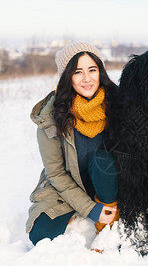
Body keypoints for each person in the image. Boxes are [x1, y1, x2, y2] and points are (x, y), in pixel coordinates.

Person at [26, 42, 119, 245]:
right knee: (40, 234)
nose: (87, 78)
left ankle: (110, 220)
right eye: (78, 72)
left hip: (106, 181)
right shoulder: (50, 116)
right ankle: (87, 212)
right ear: (67, 77)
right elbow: (56, 174)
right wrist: (91, 209)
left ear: (100, 72)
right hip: (68, 185)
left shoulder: (117, 104)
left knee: (103, 160)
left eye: (92, 70)